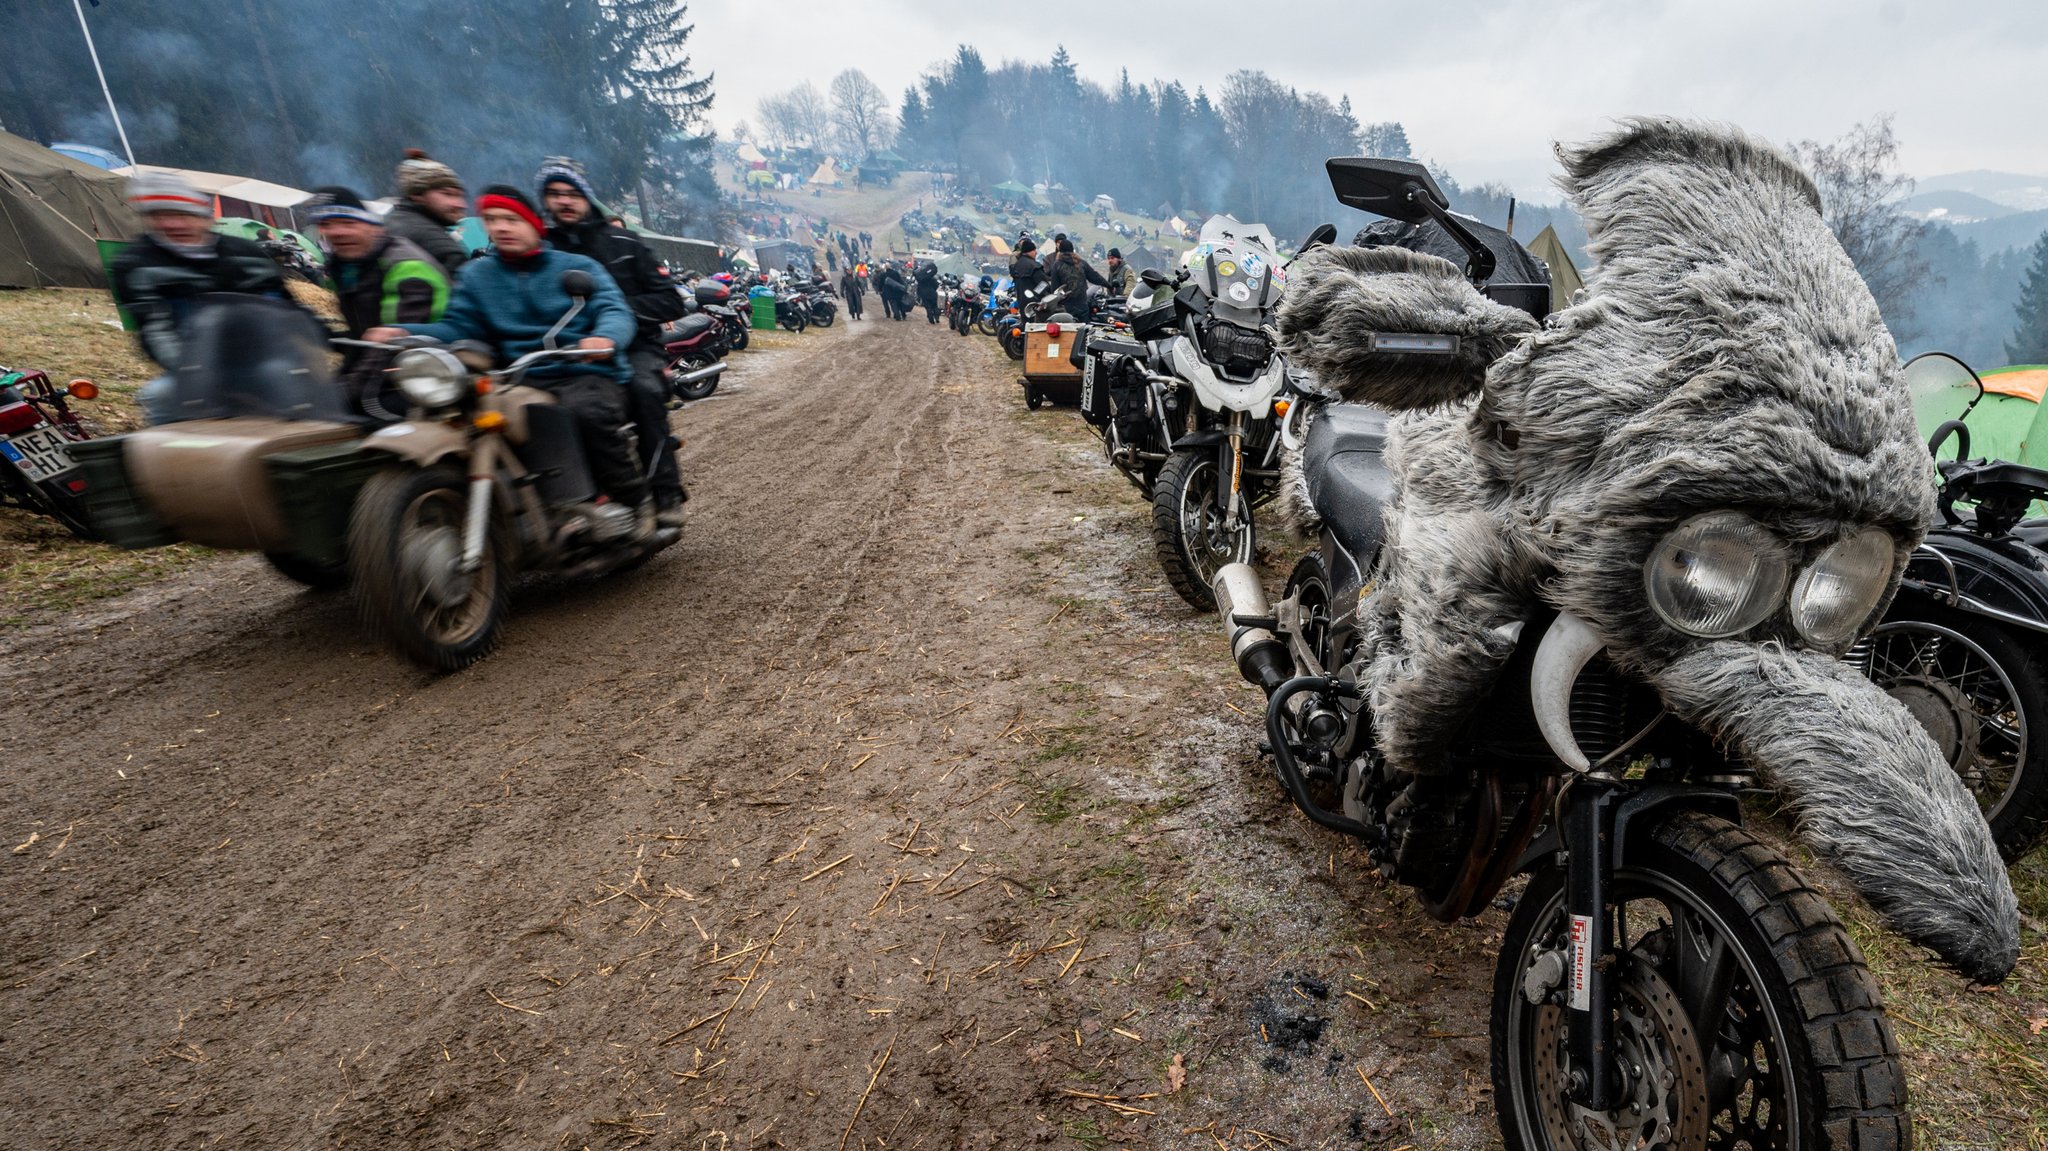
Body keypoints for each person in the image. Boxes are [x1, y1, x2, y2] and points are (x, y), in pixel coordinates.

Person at [365, 186, 649, 536]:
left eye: (511, 219)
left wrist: (604, 338)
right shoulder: (477, 275)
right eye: (492, 220)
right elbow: (458, 326)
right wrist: (399, 331)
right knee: (470, 416)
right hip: (519, 377)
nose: (501, 228)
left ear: (534, 225)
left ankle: (633, 500)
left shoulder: (576, 267)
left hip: (583, 369)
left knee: (588, 412)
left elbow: (613, 309)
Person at [537, 156, 689, 525]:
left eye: (572, 193)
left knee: (645, 390)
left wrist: (616, 317)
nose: (564, 201)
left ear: (587, 198)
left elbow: (670, 299)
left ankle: (665, 490)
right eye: (555, 194)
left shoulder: (625, 242)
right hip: (562, 349)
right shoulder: (540, 251)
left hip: (635, 345)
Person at [111, 170, 287, 423]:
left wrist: (327, 340)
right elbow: (154, 329)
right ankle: (169, 456)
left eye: (183, 214)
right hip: (191, 365)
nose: (173, 224)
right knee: (160, 395)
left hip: (257, 358)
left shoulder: (247, 255)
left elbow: (283, 307)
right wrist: (192, 368)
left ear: (205, 217)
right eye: (160, 216)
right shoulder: (136, 265)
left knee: (287, 379)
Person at [303, 185, 449, 420]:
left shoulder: (406, 265)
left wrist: (340, 393)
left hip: (426, 378)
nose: (336, 232)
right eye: (327, 224)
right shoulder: (348, 266)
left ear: (374, 225)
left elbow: (393, 346)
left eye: (348, 223)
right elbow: (358, 341)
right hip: (383, 376)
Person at [385, 148, 471, 278]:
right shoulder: (445, 249)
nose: (460, 204)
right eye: (447, 194)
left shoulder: (390, 220)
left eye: (460, 196)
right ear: (416, 195)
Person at [1050, 237, 1108, 318]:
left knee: (1068, 329)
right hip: (1082, 305)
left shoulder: (1057, 265)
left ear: (1059, 251)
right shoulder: (1081, 263)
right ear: (1072, 249)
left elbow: (1055, 288)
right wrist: (1109, 285)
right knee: (1084, 328)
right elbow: (1095, 277)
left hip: (1065, 308)